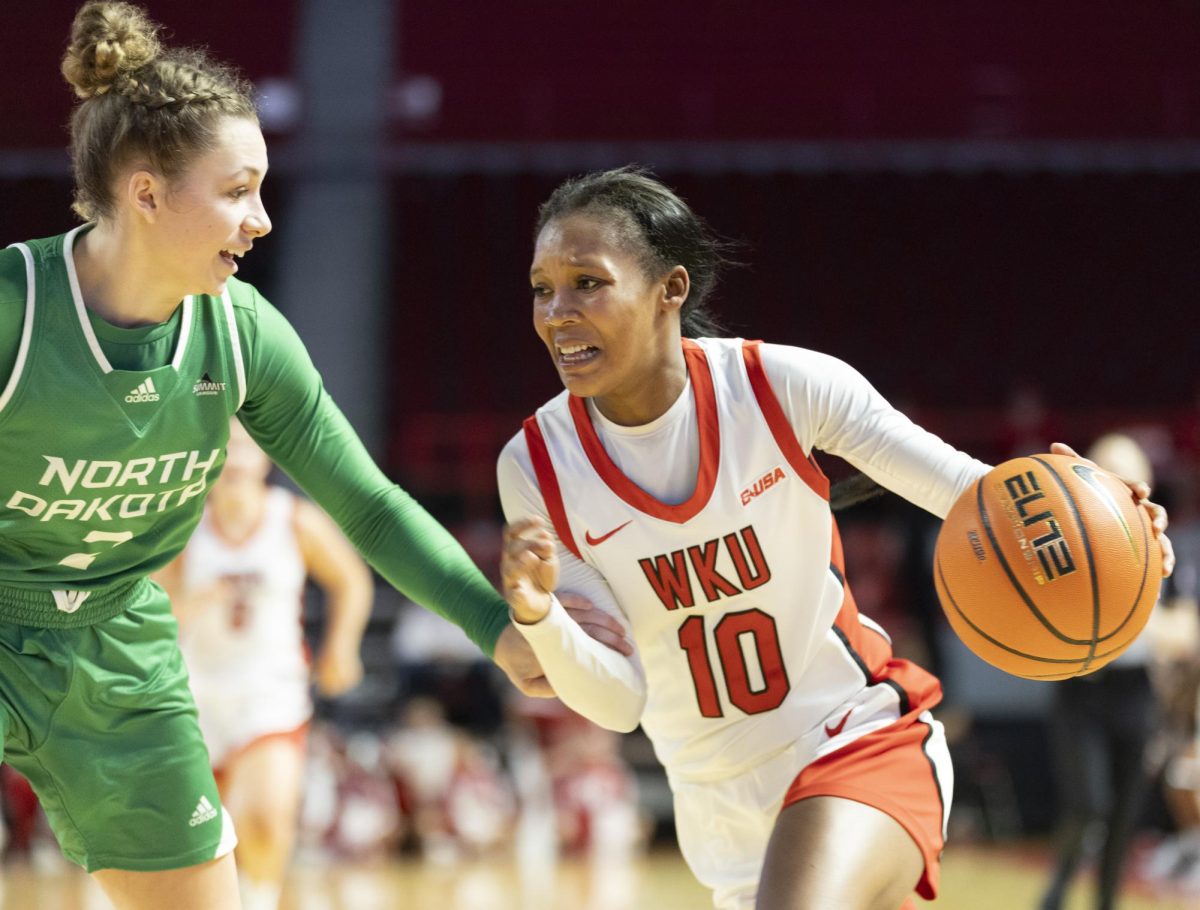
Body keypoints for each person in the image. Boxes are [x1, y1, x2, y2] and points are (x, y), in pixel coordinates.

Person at [0, 4, 622, 907]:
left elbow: (366, 504)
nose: (259, 220)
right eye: (237, 189)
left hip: (114, 645)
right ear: (145, 193)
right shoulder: (19, 310)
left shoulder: (245, 335)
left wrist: (495, 628)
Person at [497, 167, 1175, 910]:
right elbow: (617, 700)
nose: (557, 311)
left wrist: (1108, 529)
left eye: (587, 282)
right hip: (721, 819)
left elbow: (969, 494)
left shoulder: (780, 386)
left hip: (856, 743)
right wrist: (540, 616)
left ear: (672, 289)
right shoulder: (536, 465)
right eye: (541, 288)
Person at [153, 417, 373, 910]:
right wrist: (193, 603)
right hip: (198, 690)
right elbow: (155, 608)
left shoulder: (293, 519)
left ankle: (262, 898)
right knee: (197, 832)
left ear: (265, 458)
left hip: (270, 687)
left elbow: (351, 580)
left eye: (246, 447)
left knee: (267, 816)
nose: (235, 458)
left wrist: (342, 645)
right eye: (224, 447)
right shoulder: (184, 525)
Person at [1037, 433, 1164, 910]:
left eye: (1132, 473)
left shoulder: (1160, 539)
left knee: (1125, 815)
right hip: (1081, 687)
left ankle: (1107, 903)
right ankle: (1055, 894)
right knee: (1089, 805)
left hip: (1136, 689)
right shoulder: (1066, 537)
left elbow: (1185, 626)